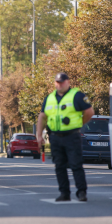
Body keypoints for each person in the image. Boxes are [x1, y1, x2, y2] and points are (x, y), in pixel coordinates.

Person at [36, 73, 94, 202]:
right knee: (59, 166)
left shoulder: (77, 95)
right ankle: (64, 193)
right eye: (57, 82)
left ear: (68, 82)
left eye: (62, 82)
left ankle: (81, 192)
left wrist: (80, 123)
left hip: (72, 136)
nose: (59, 84)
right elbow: (42, 117)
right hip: (55, 137)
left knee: (76, 164)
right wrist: (39, 136)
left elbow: (89, 112)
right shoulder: (49, 98)